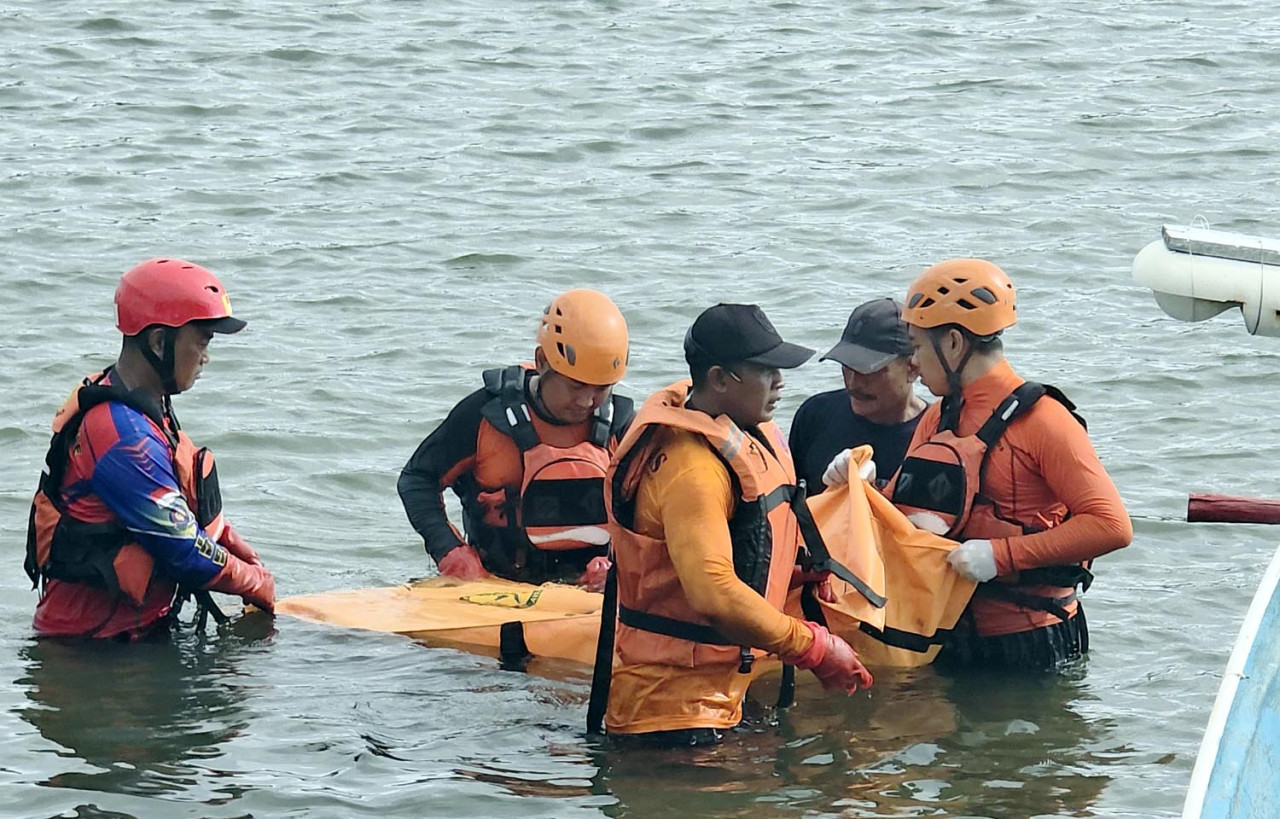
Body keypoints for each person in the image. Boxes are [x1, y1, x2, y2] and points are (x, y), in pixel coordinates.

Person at [598, 303, 873, 747]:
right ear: (720, 379)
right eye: (766, 370)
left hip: (720, 698)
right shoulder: (692, 469)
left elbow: (731, 552)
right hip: (669, 713)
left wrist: (794, 573)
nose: (780, 382)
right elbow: (713, 594)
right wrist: (814, 648)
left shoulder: (739, 432)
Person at [881, 258, 1132, 671]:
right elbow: (902, 517)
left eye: (917, 347)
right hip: (945, 637)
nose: (912, 364)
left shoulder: (1045, 421)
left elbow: (1112, 526)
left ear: (954, 344)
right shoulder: (937, 416)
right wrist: (858, 484)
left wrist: (1002, 556)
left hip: (1031, 644)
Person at [25, 258, 277, 640]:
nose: (207, 357)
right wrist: (257, 584)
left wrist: (230, 542)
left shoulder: (143, 402)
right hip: (94, 653)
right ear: (160, 342)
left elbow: (181, 507)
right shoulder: (125, 439)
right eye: (203, 340)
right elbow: (185, 552)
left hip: (130, 635)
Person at [398, 289, 634, 590]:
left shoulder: (623, 427)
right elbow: (417, 480)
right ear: (542, 361)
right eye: (576, 386)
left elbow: (652, 515)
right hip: (495, 584)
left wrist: (622, 565)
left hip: (591, 589)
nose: (588, 402)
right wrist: (450, 552)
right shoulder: (485, 414)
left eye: (602, 389)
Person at [790, 298, 927, 493]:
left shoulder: (935, 435)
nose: (854, 383)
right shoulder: (815, 415)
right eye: (847, 366)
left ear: (912, 368)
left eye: (869, 370)